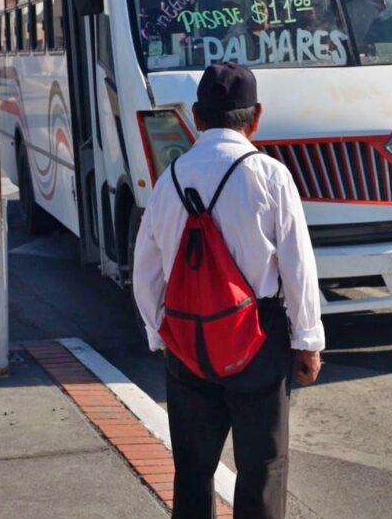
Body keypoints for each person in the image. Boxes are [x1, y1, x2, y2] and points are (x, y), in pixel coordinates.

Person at [132, 62, 325, 519]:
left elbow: (146, 271)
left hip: (188, 341)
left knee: (193, 469)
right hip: (258, 338)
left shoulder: (170, 179)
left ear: (196, 117)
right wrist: (307, 340)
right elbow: (298, 266)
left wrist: (162, 334)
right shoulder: (271, 176)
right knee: (262, 468)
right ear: (255, 116)